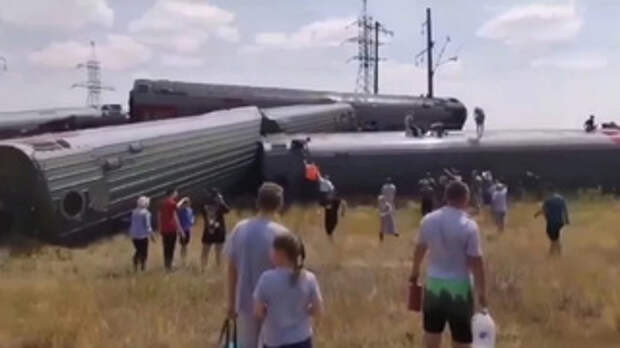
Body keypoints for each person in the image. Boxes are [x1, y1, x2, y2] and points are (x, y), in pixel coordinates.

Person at [410, 181, 488, 348]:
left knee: (432, 334)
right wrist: (481, 292)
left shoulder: (428, 220)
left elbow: (419, 250)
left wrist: (415, 273)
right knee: (461, 338)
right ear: (465, 198)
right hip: (460, 287)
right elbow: (476, 262)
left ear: (446, 197)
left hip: (434, 285)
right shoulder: (469, 225)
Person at [225, 182, 289, 348]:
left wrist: (231, 303)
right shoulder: (282, 234)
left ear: (257, 202)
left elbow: (232, 269)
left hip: (244, 303)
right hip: (273, 305)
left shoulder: (240, 228)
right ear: (279, 204)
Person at [254, 233, 323, 348]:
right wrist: (305, 310)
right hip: (302, 338)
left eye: (273, 251)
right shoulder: (309, 278)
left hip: (274, 340)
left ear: (281, 254)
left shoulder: (266, 278)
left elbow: (258, 312)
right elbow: (318, 311)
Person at [201, 189, 231, 270]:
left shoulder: (211, 205)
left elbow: (227, 210)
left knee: (211, 251)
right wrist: (222, 201)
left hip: (211, 229)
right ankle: (207, 268)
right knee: (212, 250)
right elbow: (227, 210)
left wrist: (221, 201)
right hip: (216, 229)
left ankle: (207, 268)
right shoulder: (216, 205)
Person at [535, 189, 569, 255]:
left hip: (551, 222)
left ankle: (555, 253)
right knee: (555, 238)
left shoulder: (548, 200)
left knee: (553, 238)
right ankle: (554, 253)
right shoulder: (561, 199)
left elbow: (543, 210)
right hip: (560, 222)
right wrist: (567, 220)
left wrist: (536, 214)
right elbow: (565, 210)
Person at [158, 188, 184, 271]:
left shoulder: (162, 203)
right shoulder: (171, 202)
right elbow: (178, 207)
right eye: (176, 192)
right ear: (172, 193)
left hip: (164, 229)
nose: (177, 194)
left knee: (166, 248)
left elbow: (159, 215)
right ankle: (170, 266)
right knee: (171, 247)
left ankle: (167, 265)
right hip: (171, 228)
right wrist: (183, 200)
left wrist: (160, 227)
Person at [128, 196, 155, 272]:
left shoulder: (134, 212)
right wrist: (152, 235)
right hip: (142, 235)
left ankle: (135, 264)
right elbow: (147, 226)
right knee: (144, 251)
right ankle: (143, 267)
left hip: (134, 235)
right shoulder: (146, 213)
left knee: (138, 250)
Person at [177, 197, 195, 265]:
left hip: (188, 229)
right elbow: (177, 220)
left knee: (186, 245)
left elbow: (192, 216)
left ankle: (185, 259)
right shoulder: (180, 210)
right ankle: (183, 260)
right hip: (182, 230)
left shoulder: (190, 210)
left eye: (188, 202)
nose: (188, 204)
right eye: (186, 203)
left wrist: (192, 220)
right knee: (183, 245)